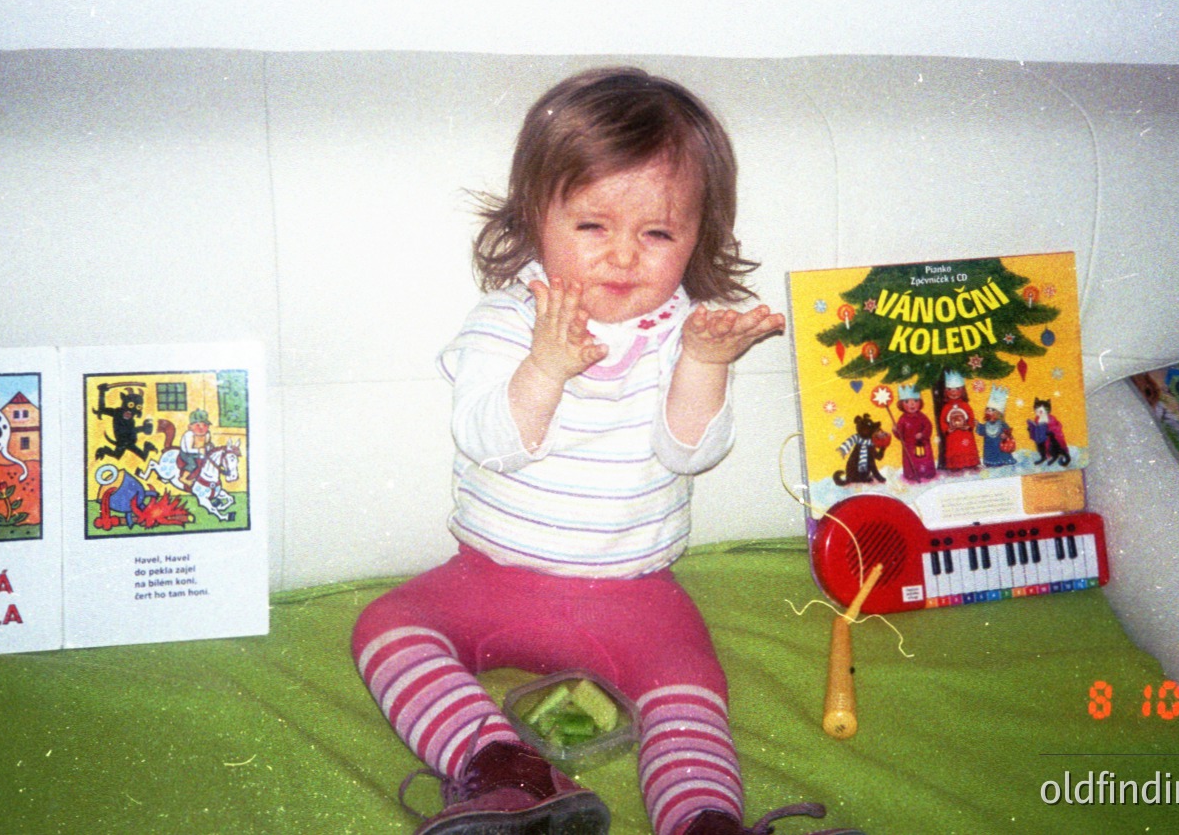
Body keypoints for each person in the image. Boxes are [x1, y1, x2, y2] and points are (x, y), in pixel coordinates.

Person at [352, 69, 850, 835]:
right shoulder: (506, 320)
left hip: (634, 591)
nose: (623, 256)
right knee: (384, 626)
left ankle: (705, 821)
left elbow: (689, 453)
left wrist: (705, 364)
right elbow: (490, 440)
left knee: (689, 683)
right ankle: (506, 770)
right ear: (536, 218)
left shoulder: (684, 332)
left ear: (696, 238)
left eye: (657, 233)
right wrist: (544, 366)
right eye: (592, 226)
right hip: (492, 575)